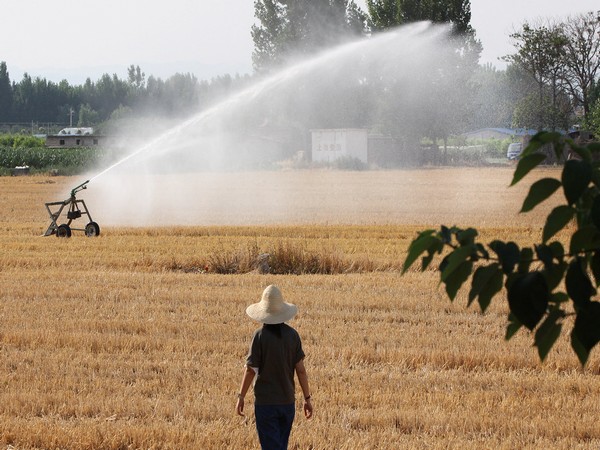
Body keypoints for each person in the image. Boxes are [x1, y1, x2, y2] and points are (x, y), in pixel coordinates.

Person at [236, 285, 313, 450]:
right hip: (287, 404)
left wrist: (241, 396)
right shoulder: (293, 336)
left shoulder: (259, 336)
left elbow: (251, 370)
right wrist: (307, 399)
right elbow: (301, 370)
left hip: (266, 405)